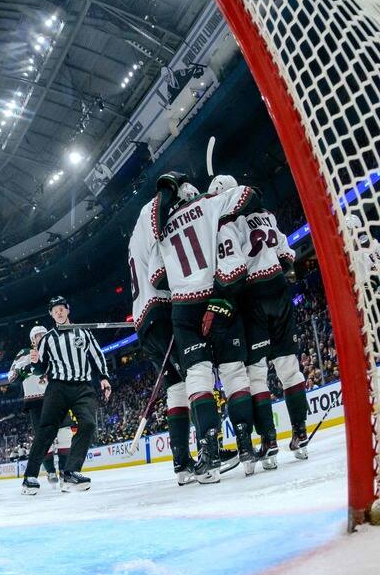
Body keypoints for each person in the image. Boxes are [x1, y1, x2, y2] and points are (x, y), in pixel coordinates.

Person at [153, 171, 259, 480]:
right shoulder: (209, 205)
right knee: (234, 373)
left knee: (198, 378)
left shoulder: (163, 228)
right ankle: (245, 446)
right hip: (217, 297)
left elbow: (157, 279)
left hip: (184, 307)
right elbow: (250, 194)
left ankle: (209, 451)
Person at [210, 174, 310, 461]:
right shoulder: (267, 215)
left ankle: (269, 441)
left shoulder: (226, 223)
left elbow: (233, 271)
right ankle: (300, 434)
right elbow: (287, 253)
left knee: (257, 374)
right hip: (279, 291)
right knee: (289, 366)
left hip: (253, 297)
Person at [128, 186, 197, 485]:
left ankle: (182, 464)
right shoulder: (150, 218)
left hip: (145, 323)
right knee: (197, 374)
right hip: (161, 311)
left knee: (176, 389)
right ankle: (211, 447)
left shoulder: (134, 239)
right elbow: (160, 274)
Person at [21, 297, 111, 494]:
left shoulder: (84, 332)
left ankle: (70, 472)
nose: (59, 312)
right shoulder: (47, 339)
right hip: (57, 388)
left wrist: (103, 377)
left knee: (88, 424)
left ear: (67, 311)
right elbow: (40, 370)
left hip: (83, 387)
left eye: (62, 309)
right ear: (51, 315)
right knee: (47, 430)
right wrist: (35, 363)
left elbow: (97, 355)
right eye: (55, 310)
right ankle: (30, 477)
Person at [7, 325, 61, 483]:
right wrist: (21, 370)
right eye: (38, 335)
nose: (41, 337)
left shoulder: (54, 351)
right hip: (35, 402)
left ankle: (66, 470)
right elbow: (10, 376)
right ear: (32, 339)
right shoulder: (24, 353)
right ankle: (51, 471)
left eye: (44, 334)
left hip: (55, 397)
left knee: (64, 434)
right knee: (42, 437)